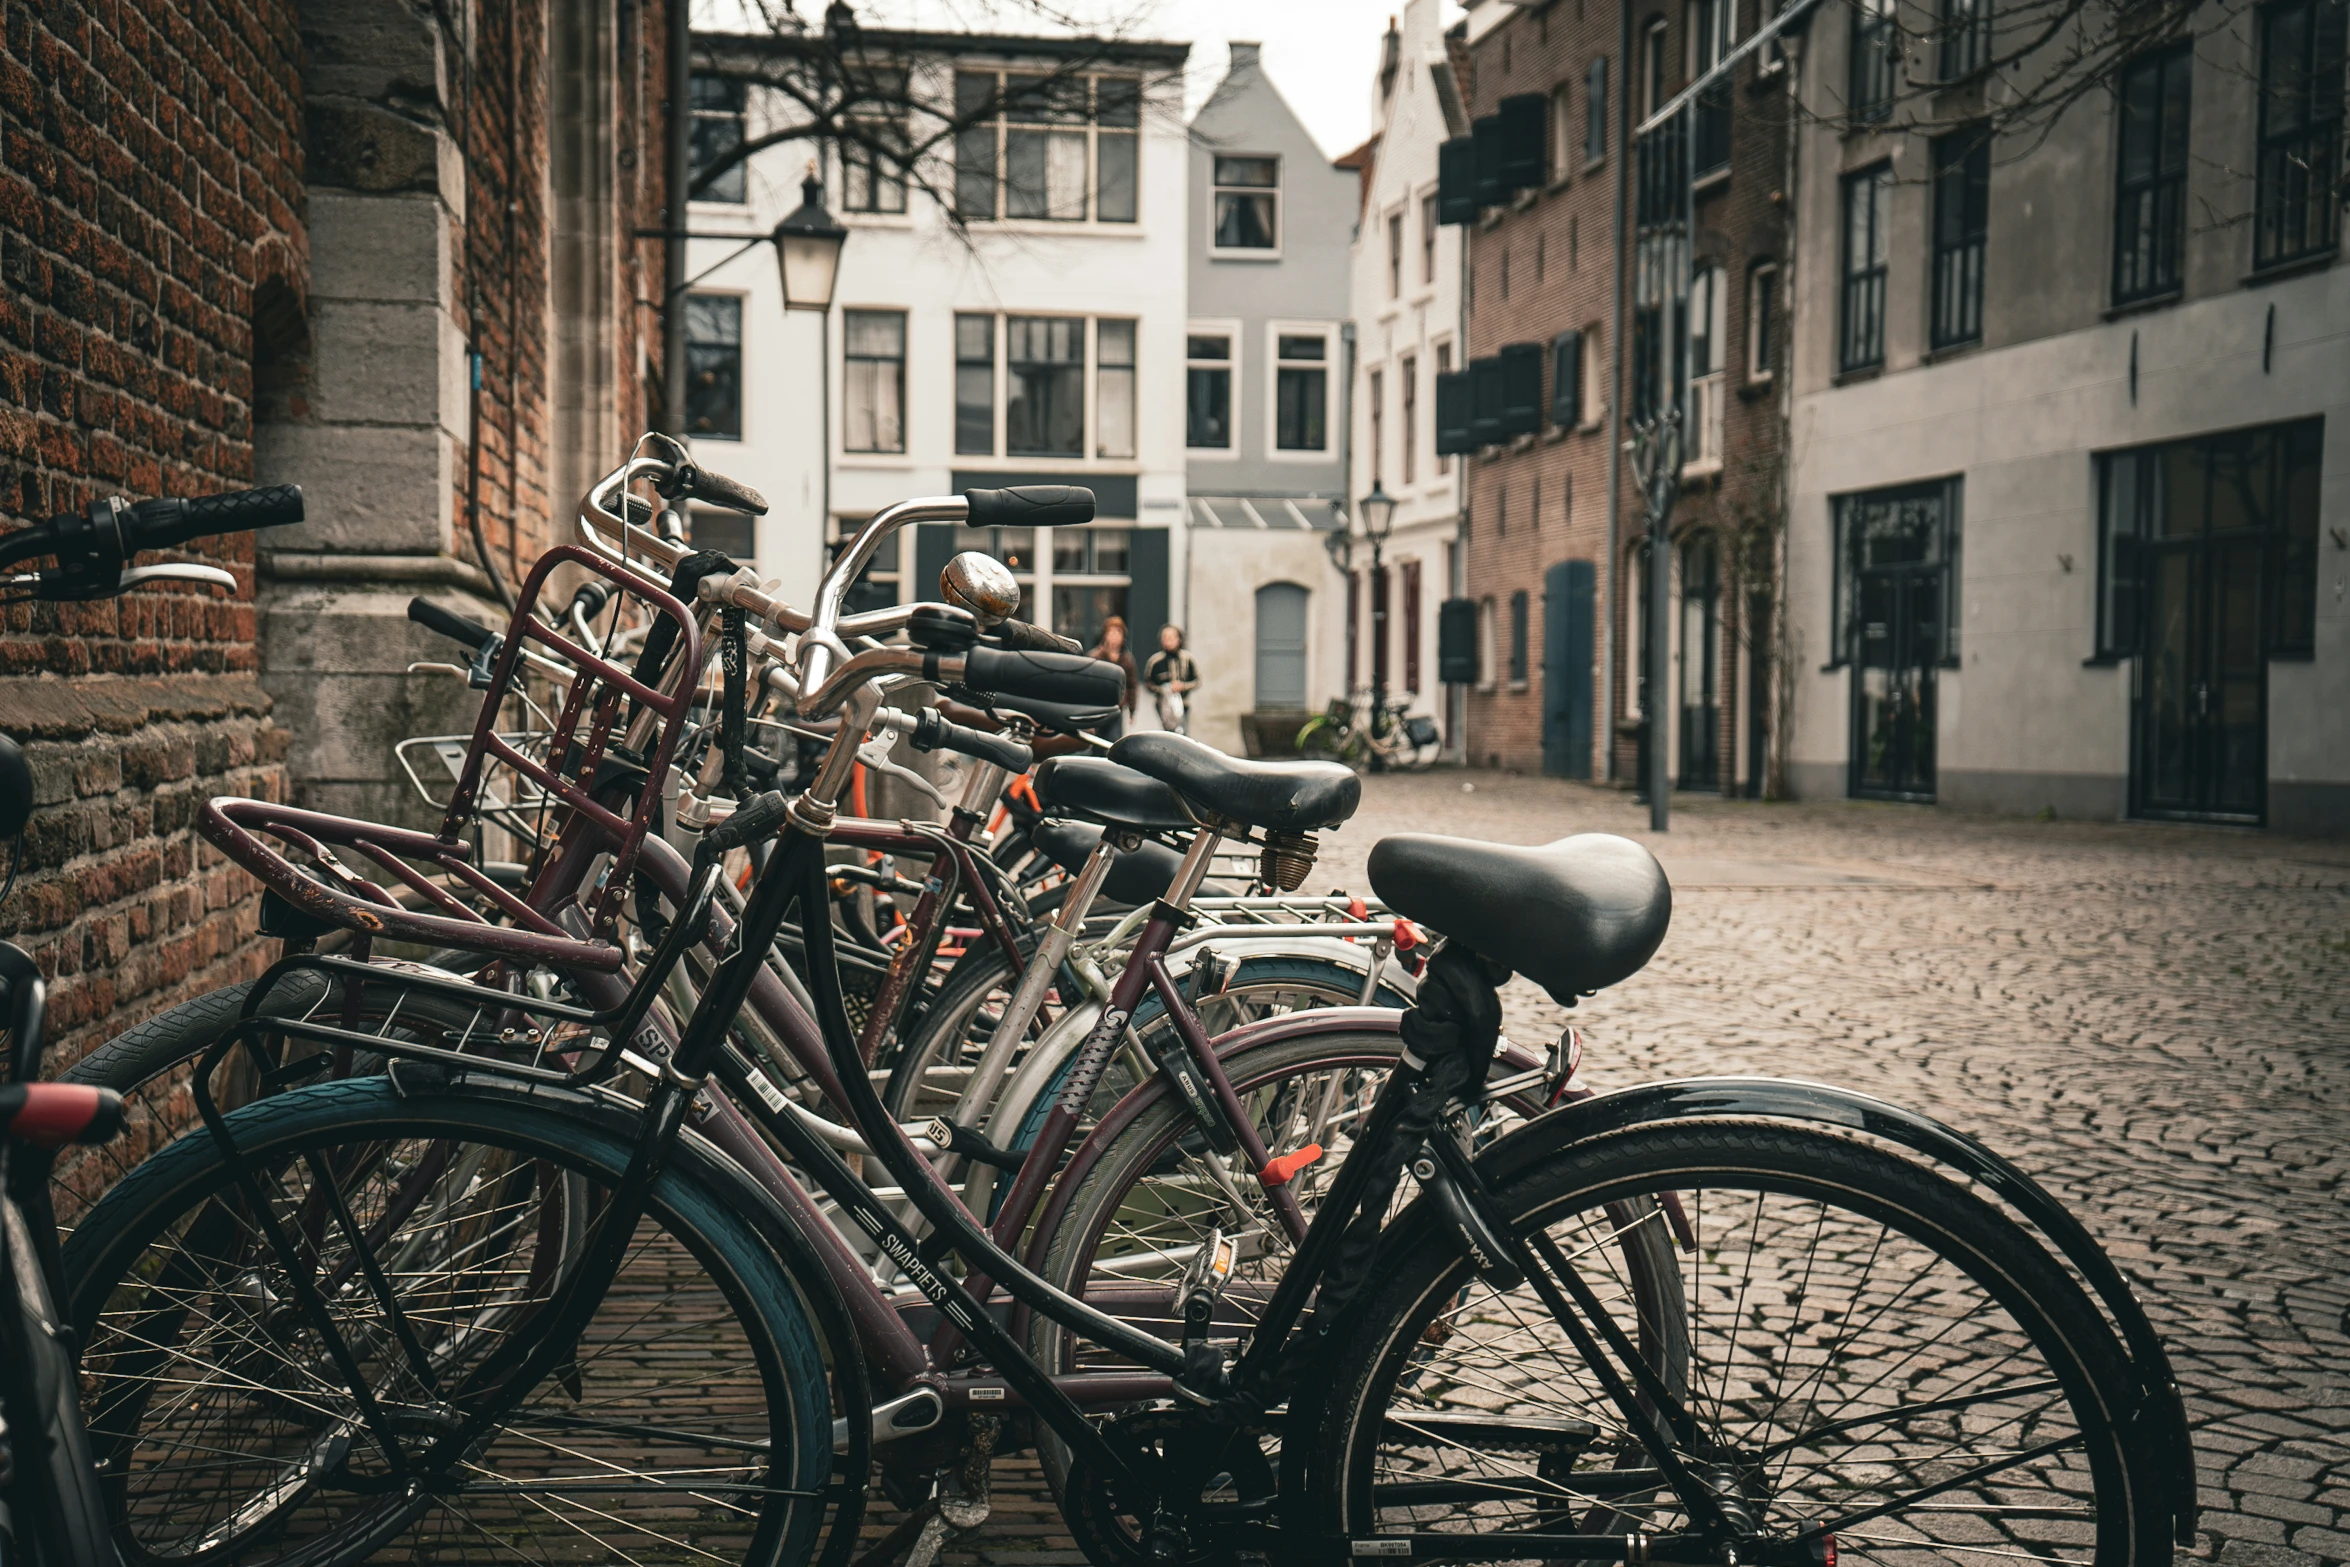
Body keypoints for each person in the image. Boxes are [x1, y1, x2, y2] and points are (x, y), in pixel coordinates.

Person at [1086, 615, 1141, 738]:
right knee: (1095, 742)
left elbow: (1132, 686)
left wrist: (1132, 710)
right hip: (1097, 708)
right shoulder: (1095, 657)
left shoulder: (1127, 660)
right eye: (1111, 632)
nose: (1114, 637)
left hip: (1117, 708)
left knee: (1113, 742)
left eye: (1118, 633)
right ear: (1105, 634)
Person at [1142, 623, 1200, 735]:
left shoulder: (1188, 659)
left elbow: (1197, 681)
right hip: (1163, 705)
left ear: (1179, 639)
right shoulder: (1155, 661)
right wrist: (1164, 689)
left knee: (1182, 733)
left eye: (1172, 637)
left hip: (1184, 704)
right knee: (1169, 734)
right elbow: (1148, 683)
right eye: (1165, 638)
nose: (1168, 641)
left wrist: (1183, 686)